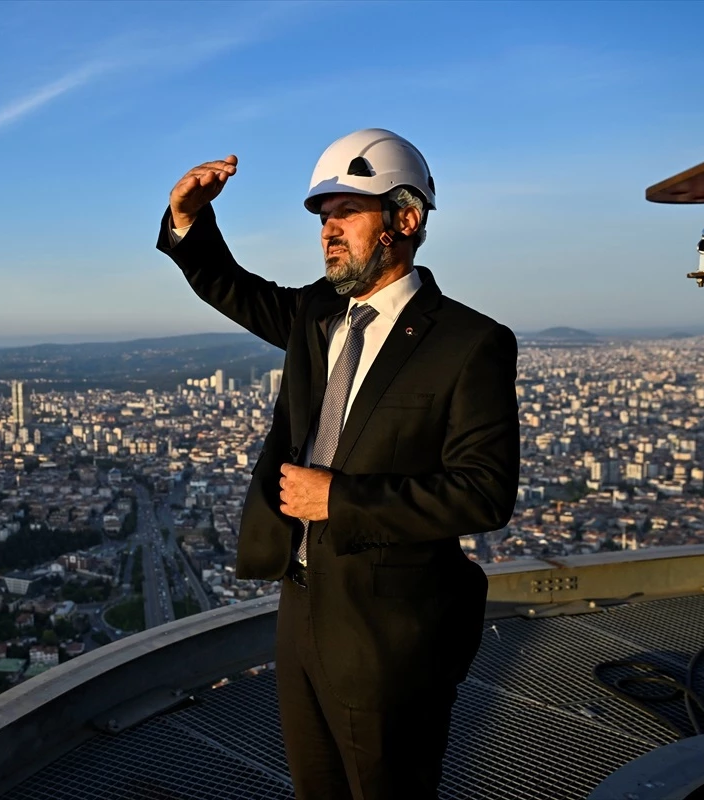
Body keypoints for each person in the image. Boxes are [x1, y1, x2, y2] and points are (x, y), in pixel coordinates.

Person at [155, 128, 520, 799]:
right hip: (300, 607)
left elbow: (485, 493)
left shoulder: (471, 343)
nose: (329, 231)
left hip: (391, 627)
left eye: (348, 213)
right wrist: (189, 217)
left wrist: (340, 500)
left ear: (405, 220)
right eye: (325, 218)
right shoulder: (317, 314)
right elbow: (229, 286)